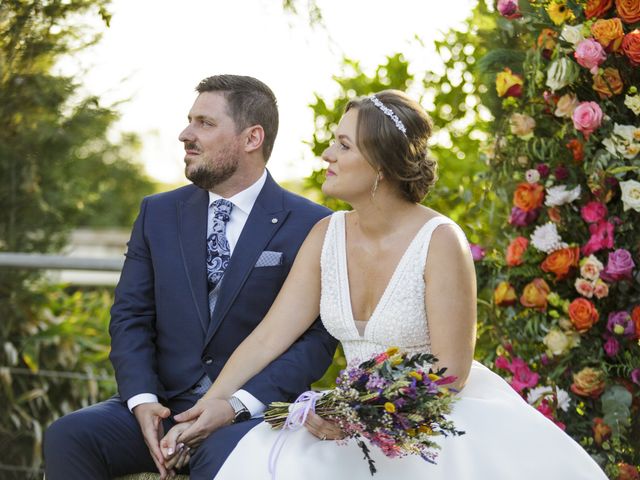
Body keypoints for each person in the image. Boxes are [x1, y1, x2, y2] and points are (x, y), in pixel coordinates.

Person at [160, 90, 608, 479]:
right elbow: (267, 339)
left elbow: (451, 372)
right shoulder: (325, 235)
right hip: (348, 412)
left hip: (432, 417)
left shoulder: (439, 240)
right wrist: (208, 406)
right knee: (248, 458)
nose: (327, 155)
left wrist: (359, 413)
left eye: (343, 145)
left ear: (380, 163)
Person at [43, 74, 337, 480]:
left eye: (205, 123)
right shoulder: (157, 213)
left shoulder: (313, 224)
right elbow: (131, 315)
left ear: (252, 138)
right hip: (162, 406)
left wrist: (237, 404)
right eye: (190, 120)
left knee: (223, 461)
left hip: (248, 413)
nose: (186, 134)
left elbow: (317, 338)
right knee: (69, 435)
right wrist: (142, 401)